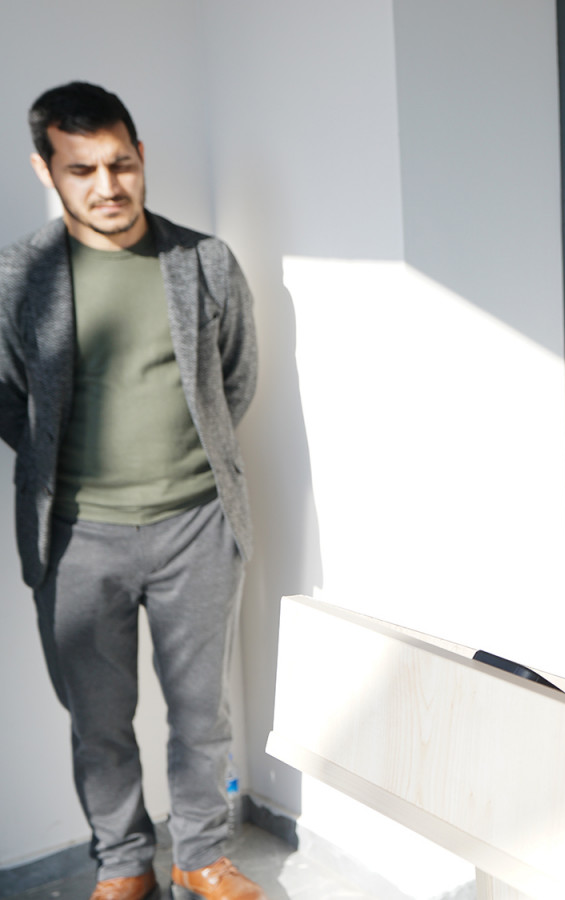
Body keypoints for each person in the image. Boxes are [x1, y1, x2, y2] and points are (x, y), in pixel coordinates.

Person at [0, 83, 261, 900]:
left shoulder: (204, 263)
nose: (107, 186)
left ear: (141, 156)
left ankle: (201, 856)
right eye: (82, 170)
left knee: (202, 714)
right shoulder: (17, 277)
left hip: (197, 526)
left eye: (120, 164)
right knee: (98, 720)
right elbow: (9, 398)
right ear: (46, 171)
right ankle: (122, 863)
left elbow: (233, 381)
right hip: (77, 535)